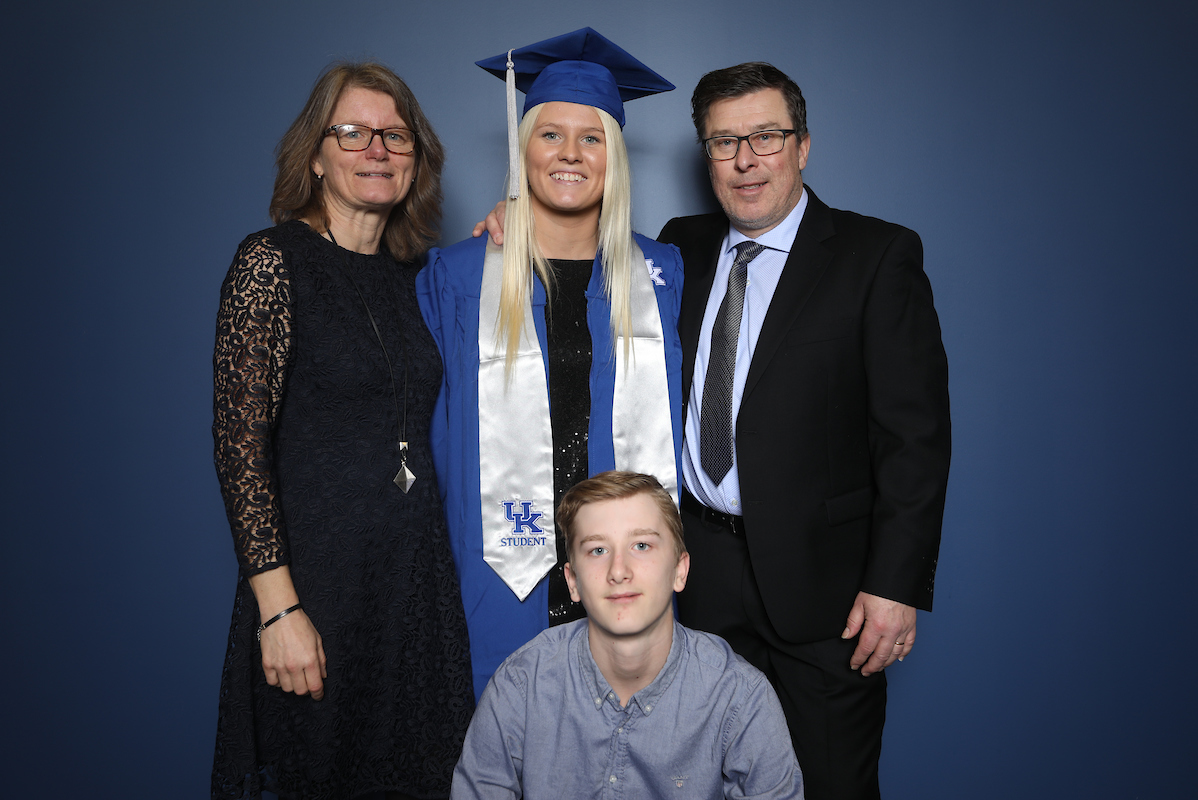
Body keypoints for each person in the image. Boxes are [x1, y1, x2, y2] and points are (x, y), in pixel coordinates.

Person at [656, 63, 952, 800]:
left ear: (804, 145)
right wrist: (511, 224)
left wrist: (895, 585)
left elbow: (915, 437)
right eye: (724, 143)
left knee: (830, 787)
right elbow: (576, 264)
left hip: (828, 594)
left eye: (765, 136)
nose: (746, 160)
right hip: (703, 584)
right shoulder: (677, 249)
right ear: (706, 157)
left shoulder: (875, 257)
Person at [211, 62, 473, 800]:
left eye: (396, 136)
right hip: (315, 592)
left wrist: (509, 221)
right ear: (317, 153)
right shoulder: (270, 263)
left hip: (415, 591)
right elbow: (240, 449)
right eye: (353, 132)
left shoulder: (418, 278)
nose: (377, 149)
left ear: (416, 159)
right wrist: (280, 610)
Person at [417, 28, 685, 701]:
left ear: (613, 157)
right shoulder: (458, 276)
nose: (570, 153)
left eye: (591, 138)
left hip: (623, 567)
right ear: (524, 148)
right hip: (502, 571)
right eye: (550, 135)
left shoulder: (663, 274)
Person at [451, 471, 805, 800]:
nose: (618, 571)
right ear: (572, 581)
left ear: (680, 571)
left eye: (642, 546)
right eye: (598, 550)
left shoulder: (741, 697)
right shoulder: (521, 685)